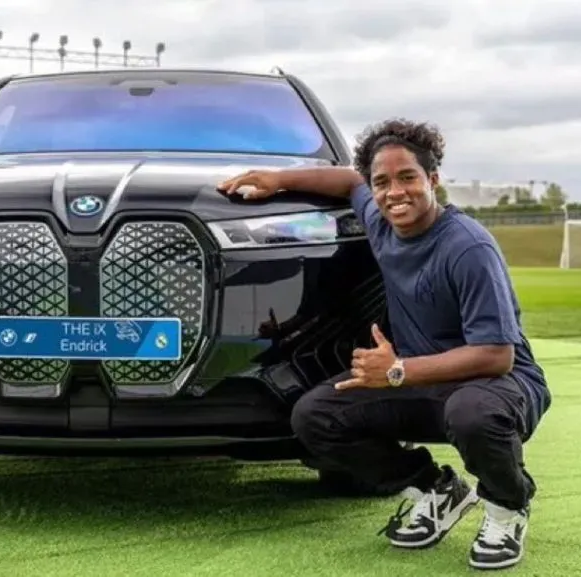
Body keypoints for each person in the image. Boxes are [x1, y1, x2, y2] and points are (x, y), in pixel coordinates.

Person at [218, 118, 551, 571]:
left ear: (433, 180)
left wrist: (397, 372)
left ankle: (508, 507)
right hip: (420, 381)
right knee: (315, 416)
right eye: (383, 182)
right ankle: (435, 490)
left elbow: (497, 355)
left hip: (498, 384)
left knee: (472, 414)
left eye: (408, 177)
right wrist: (277, 180)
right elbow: (347, 179)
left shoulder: (468, 248)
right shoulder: (380, 219)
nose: (395, 191)